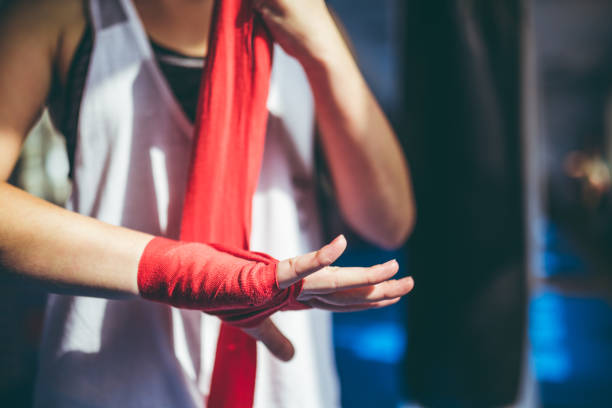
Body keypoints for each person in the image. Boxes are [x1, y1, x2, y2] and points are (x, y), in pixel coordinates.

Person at [0, 0, 415, 406]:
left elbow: (387, 222)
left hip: (285, 383)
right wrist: (189, 272)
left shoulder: (306, 16)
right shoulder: (63, 13)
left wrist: (323, 43)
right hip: (111, 374)